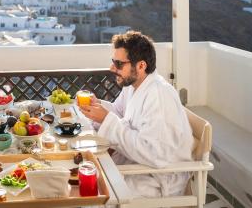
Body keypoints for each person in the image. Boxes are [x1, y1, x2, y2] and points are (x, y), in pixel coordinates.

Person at [79, 31, 193, 198]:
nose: (112, 68)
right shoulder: (133, 85)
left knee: (91, 190)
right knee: (84, 177)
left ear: (141, 66)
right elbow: (118, 112)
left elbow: (155, 154)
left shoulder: (159, 95)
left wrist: (106, 120)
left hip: (157, 179)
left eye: (119, 64)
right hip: (135, 163)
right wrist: (96, 105)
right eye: (113, 62)